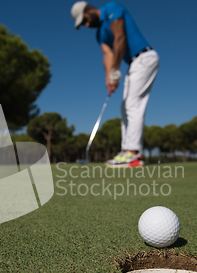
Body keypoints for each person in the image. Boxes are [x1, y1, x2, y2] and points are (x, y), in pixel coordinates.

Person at [71, 1, 159, 167]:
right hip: (133, 64)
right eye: (83, 24)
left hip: (145, 58)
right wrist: (109, 80)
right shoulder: (99, 35)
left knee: (133, 104)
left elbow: (120, 38)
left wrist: (115, 72)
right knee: (125, 107)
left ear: (88, 9)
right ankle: (126, 150)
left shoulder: (112, 9)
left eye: (85, 20)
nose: (87, 25)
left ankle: (133, 153)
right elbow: (107, 55)